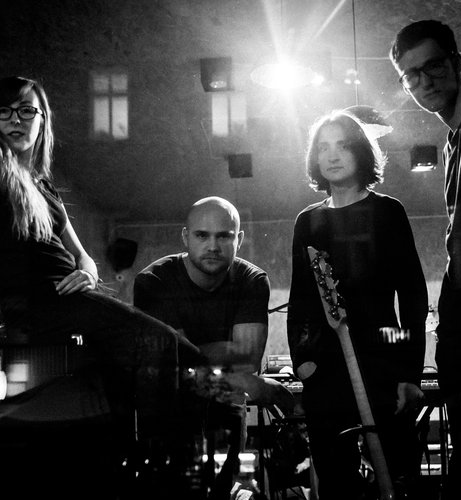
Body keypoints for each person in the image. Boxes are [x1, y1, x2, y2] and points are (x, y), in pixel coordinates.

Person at [0, 75, 202, 498]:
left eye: (26, 110)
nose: (15, 119)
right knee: (160, 344)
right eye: (4, 111)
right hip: (39, 302)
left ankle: (147, 462)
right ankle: (163, 477)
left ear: (42, 120)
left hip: (76, 295)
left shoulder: (43, 184)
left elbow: (84, 256)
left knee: (184, 357)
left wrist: (89, 274)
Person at [287, 109, 428, 499]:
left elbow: (412, 295)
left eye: (343, 145)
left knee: (398, 475)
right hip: (326, 373)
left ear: (361, 151)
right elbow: (300, 301)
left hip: (384, 362)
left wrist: (410, 373)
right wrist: (304, 363)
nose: (332, 155)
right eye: (323, 147)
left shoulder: (388, 212)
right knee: (337, 484)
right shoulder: (307, 221)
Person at [390, 19, 461, 499]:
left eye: (432, 66)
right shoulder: (455, 138)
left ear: (456, 61)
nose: (424, 82)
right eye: (410, 75)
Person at [133, 196, 271, 500]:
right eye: (201, 235)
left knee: (222, 491)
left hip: (226, 405)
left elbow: (248, 358)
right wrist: (227, 356)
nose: (213, 246)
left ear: (239, 239)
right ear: (185, 237)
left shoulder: (252, 280)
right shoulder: (154, 281)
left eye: (223, 236)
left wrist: (188, 351)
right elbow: (174, 362)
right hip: (169, 409)